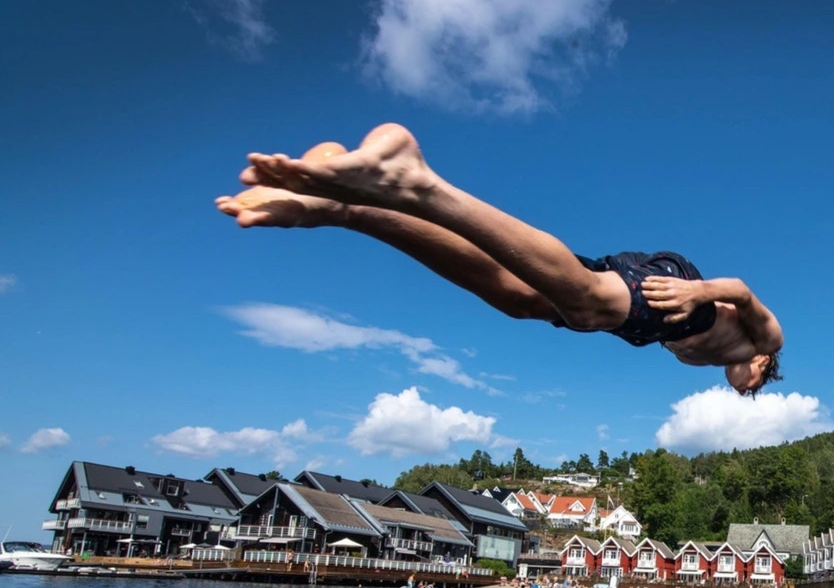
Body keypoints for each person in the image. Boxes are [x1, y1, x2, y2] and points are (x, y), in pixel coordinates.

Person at [215, 125, 784, 395]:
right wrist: (698, 292)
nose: (745, 388)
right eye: (756, 384)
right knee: (587, 306)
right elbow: (742, 290)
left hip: (646, 314)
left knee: (518, 298)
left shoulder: (701, 363)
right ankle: (418, 183)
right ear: (763, 366)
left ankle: (348, 209)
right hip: (677, 291)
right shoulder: (764, 341)